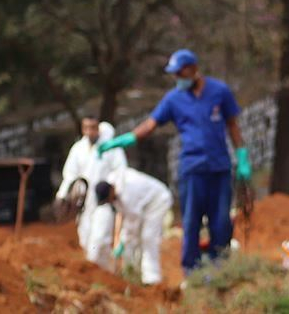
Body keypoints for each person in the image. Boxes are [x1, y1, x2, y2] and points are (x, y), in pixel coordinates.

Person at [98, 49, 252, 274]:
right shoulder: (173, 99)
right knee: (191, 222)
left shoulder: (220, 91)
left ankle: (221, 266)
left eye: (180, 73)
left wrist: (242, 157)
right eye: (175, 75)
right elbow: (150, 125)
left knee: (221, 222)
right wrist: (126, 139)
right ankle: (191, 270)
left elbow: (233, 125)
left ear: (193, 69)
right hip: (191, 169)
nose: (177, 79)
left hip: (219, 168)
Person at [55, 117, 127, 271]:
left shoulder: (110, 147)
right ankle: (100, 274)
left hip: (103, 202)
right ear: (82, 129)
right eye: (86, 128)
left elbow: (120, 171)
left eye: (93, 127)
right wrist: (61, 195)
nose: (90, 131)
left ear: (98, 128)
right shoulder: (78, 149)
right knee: (86, 240)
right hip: (83, 204)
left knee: (100, 238)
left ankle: (100, 273)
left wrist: (112, 192)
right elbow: (70, 175)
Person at [95, 167, 173, 285]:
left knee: (147, 237)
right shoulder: (113, 182)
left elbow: (131, 227)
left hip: (158, 201)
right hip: (143, 204)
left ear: (111, 191)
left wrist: (122, 242)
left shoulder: (128, 194)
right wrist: (118, 238)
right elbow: (121, 214)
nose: (109, 203)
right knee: (135, 239)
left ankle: (151, 278)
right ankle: (134, 272)